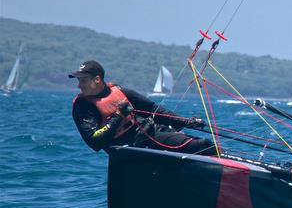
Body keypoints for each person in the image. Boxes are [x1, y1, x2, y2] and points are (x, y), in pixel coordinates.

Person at [70, 60, 216, 155]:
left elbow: (154, 110)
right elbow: (94, 142)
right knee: (202, 146)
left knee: (205, 144)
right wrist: (118, 115)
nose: (79, 85)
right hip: (129, 148)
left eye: (83, 81)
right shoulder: (82, 107)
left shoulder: (121, 92)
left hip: (150, 133)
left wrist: (185, 121)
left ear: (97, 79)